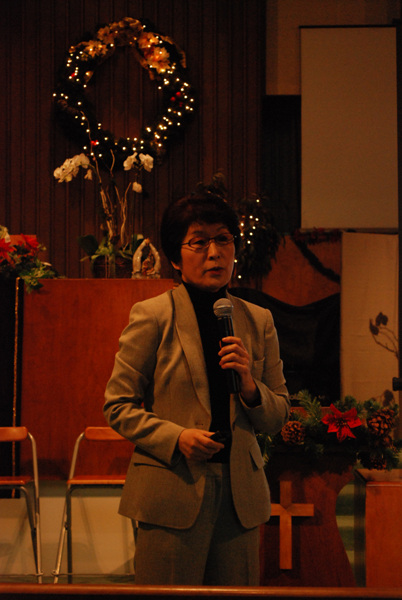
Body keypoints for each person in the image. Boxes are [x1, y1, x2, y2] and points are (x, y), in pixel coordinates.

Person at [103, 191, 290, 585]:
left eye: (223, 239)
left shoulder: (258, 321)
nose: (214, 253)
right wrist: (177, 437)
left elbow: (277, 415)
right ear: (176, 258)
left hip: (239, 496)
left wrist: (251, 387)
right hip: (172, 489)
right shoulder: (153, 315)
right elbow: (118, 405)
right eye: (199, 242)